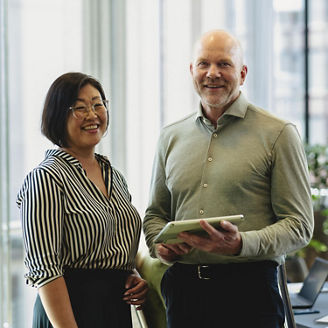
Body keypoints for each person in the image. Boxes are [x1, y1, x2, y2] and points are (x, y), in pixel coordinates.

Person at [143, 30, 314, 328]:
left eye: (224, 64)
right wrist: (160, 246)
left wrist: (239, 244)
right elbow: (156, 214)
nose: (212, 74)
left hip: (251, 293)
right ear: (191, 71)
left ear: (243, 73)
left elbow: (299, 226)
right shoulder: (170, 136)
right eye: (203, 64)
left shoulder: (278, 133)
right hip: (184, 293)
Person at [17, 72, 148, 328]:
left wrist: (130, 275)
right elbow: (45, 270)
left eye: (98, 104)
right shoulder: (46, 177)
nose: (92, 115)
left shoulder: (114, 176)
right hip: (69, 313)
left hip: (114, 311)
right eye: (79, 108)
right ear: (58, 115)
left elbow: (109, 246)